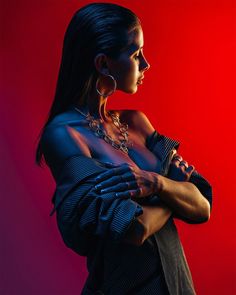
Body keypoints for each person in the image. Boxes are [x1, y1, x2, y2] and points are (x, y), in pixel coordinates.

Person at [35, 3, 212, 294]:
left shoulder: (136, 122)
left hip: (179, 285)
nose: (146, 64)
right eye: (135, 54)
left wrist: (154, 182)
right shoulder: (63, 134)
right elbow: (134, 228)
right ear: (104, 64)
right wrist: (173, 188)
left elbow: (202, 205)